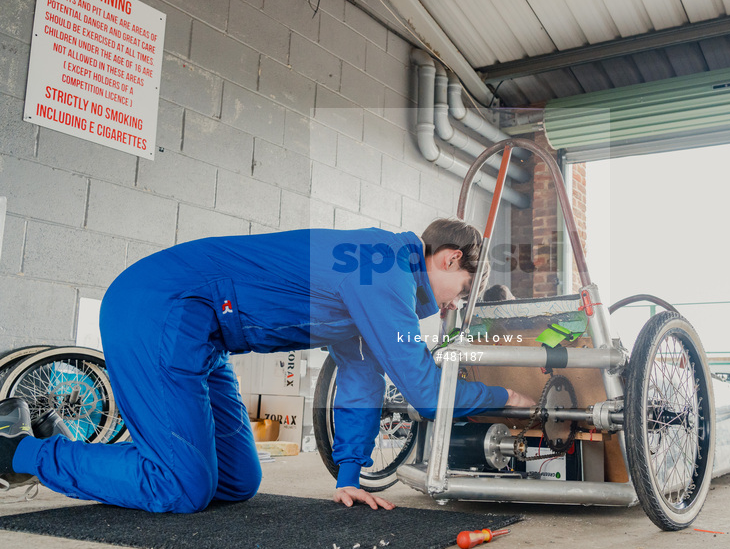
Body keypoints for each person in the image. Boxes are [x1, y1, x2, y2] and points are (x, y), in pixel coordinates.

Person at [0, 218, 535, 513]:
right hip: (159, 307)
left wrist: (350, 476)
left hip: (203, 335)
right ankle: (17, 450)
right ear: (447, 259)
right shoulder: (382, 266)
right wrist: (504, 398)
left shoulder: (380, 277)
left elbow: (361, 378)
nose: (451, 306)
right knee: (180, 488)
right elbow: (421, 390)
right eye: (460, 291)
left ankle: (141, 449)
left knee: (236, 482)